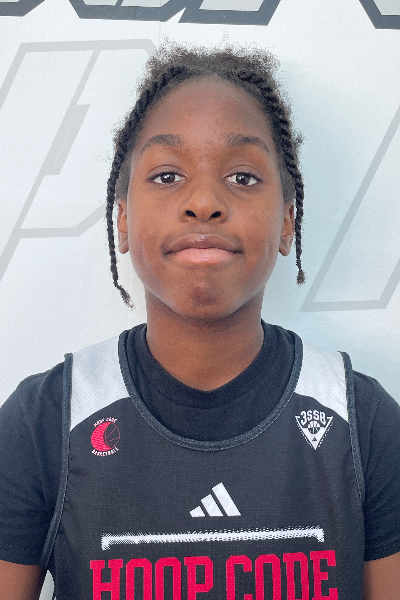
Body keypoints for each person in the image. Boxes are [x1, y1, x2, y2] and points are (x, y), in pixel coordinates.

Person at [0, 42, 400, 600]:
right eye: (167, 176)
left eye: (243, 177)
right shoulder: (43, 422)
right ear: (122, 220)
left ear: (288, 222)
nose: (205, 201)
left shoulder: (363, 422)